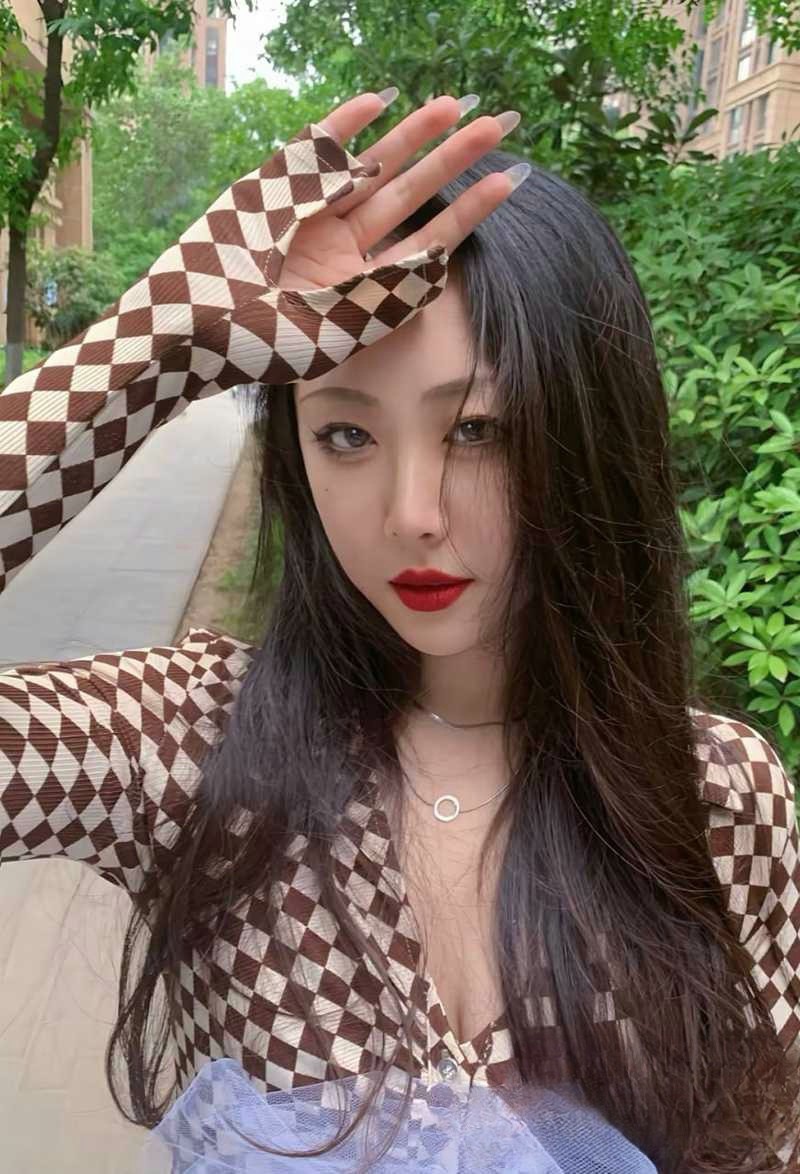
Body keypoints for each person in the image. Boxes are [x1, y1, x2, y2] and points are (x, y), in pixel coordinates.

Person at [0, 88, 798, 1172]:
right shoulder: (192, 747)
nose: (410, 513)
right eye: (344, 434)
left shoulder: (714, 800)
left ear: (584, 436)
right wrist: (161, 348)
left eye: (477, 430)